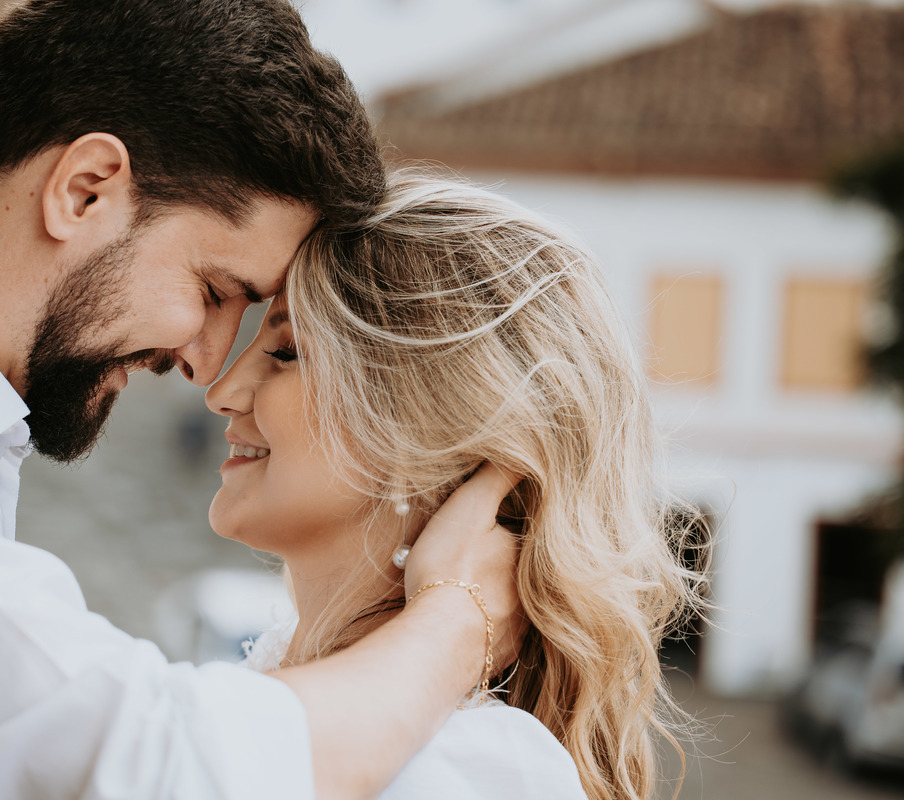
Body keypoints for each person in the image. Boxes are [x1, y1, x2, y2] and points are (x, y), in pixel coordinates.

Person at [0, 3, 523, 799]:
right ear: (86, 189)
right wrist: (459, 622)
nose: (205, 365)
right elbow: (150, 771)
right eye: (214, 289)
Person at [206, 173, 708, 800]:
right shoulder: (250, 699)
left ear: (434, 422)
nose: (220, 393)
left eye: (286, 352)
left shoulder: (477, 772)